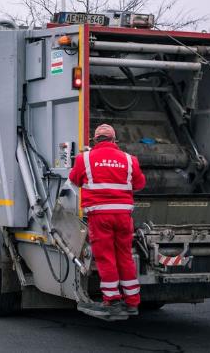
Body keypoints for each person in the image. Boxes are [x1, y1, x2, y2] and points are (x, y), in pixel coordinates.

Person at [69, 124, 146, 317]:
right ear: (114, 140)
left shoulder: (84, 158)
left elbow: (74, 180)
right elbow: (140, 184)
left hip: (100, 216)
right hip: (123, 217)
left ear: (95, 140)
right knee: (125, 257)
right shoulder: (130, 160)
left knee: (106, 258)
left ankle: (112, 300)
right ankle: (132, 302)